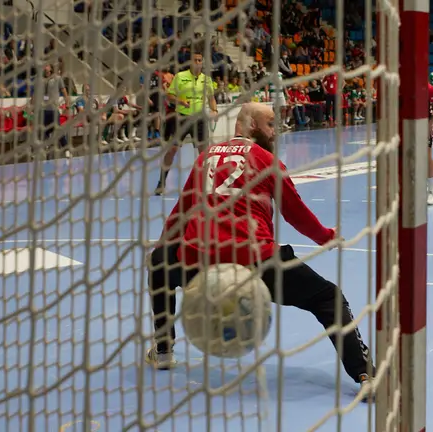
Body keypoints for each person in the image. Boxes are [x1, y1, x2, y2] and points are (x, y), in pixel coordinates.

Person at [146, 102, 374, 397]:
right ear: (251, 125)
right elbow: (295, 212)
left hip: (199, 262)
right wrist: (325, 237)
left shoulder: (204, 158)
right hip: (255, 261)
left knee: (159, 263)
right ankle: (365, 373)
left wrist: (164, 246)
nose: (275, 132)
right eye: (270, 124)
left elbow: (181, 211)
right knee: (328, 298)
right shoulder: (266, 160)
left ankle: (163, 349)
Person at [154, 43, 218, 195]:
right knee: (172, 150)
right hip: (181, 118)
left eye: (199, 60)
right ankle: (161, 182)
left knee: (205, 153)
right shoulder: (180, 77)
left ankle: (207, 184)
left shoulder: (206, 80)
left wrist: (214, 109)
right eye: (195, 60)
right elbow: (169, 95)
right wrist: (180, 101)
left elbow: (211, 98)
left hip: (200, 119)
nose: (197, 63)